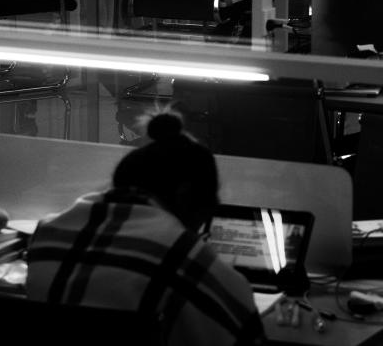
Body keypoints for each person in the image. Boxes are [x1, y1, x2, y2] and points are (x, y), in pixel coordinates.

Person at [27, 112, 264, 346]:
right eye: (206, 209)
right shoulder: (184, 257)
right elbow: (245, 334)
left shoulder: (46, 234)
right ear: (185, 196)